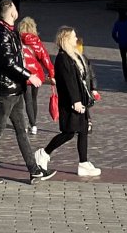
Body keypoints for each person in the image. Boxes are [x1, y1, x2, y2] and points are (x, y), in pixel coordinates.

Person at [0, 0, 53, 184]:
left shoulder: (10, 31)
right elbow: (8, 63)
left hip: (15, 89)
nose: (17, 11)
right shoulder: (1, 34)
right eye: (15, 8)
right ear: (10, 12)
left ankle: (34, 170)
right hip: (5, 90)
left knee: (21, 131)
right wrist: (29, 76)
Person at [36, 25, 101, 178]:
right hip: (71, 102)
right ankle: (44, 153)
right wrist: (75, 101)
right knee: (69, 132)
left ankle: (84, 163)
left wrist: (90, 91)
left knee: (83, 130)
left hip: (81, 99)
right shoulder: (62, 58)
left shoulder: (75, 56)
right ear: (65, 39)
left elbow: (84, 76)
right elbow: (68, 82)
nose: (76, 38)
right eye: (73, 36)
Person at [17, 14, 52, 138]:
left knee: (27, 101)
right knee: (34, 99)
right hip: (37, 74)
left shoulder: (18, 41)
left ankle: (31, 123)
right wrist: (52, 73)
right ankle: (34, 125)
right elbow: (45, 58)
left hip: (25, 74)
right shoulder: (37, 42)